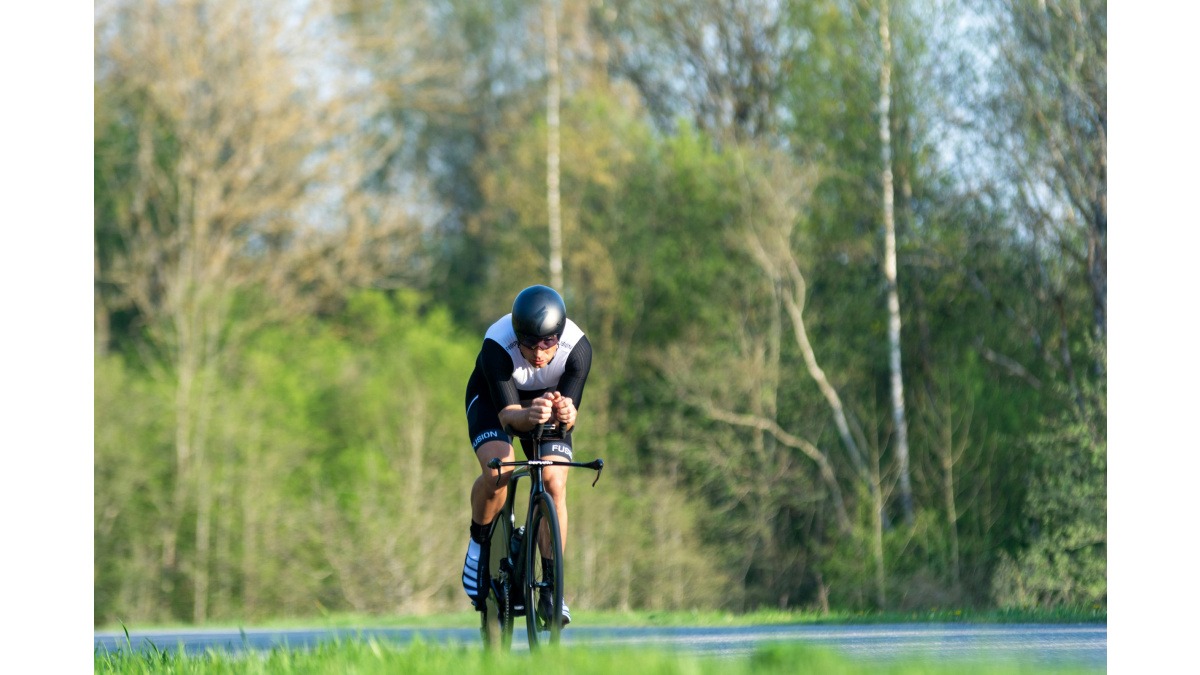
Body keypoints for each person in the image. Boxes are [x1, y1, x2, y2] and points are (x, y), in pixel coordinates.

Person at [461, 284, 592, 626]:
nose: (539, 352)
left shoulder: (577, 349)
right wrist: (527, 412)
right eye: (530, 344)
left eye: (548, 343)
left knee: (554, 482)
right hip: (495, 402)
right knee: (499, 471)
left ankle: (552, 589)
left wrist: (566, 412)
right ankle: (478, 543)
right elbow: (507, 417)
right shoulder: (497, 346)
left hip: (544, 407)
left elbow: (572, 414)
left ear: (559, 336)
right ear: (517, 336)